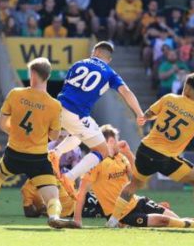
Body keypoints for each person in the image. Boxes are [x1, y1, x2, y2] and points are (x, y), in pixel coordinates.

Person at [0, 58, 77, 229]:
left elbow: (2, 124)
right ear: (47, 77)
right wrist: (38, 136)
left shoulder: (15, 94)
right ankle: (53, 216)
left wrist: (18, 134)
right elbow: (54, 136)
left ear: (32, 74)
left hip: (14, 152)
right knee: (52, 192)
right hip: (38, 157)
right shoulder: (55, 105)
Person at [111, 74, 194, 231]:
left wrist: (146, 117)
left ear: (186, 87)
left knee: (135, 184)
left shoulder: (169, 98)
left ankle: (113, 220)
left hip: (145, 150)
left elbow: (148, 114)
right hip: (164, 157)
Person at [48, 41, 145, 200]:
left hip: (59, 108)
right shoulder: (110, 73)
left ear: (95, 52)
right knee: (102, 151)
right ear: (109, 59)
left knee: (79, 136)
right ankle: (70, 177)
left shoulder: (79, 63)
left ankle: (56, 153)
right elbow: (126, 92)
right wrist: (139, 113)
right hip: (77, 113)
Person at [73, 125, 194, 229]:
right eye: (117, 139)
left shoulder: (121, 157)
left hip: (138, 201)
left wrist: (128, 153)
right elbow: (82, 192)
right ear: (111, 142)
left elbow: (138, 177)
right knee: (163, 221)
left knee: (177, 220)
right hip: (121, 214)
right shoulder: (95, 162)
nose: (119, 142)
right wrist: (77, 220)